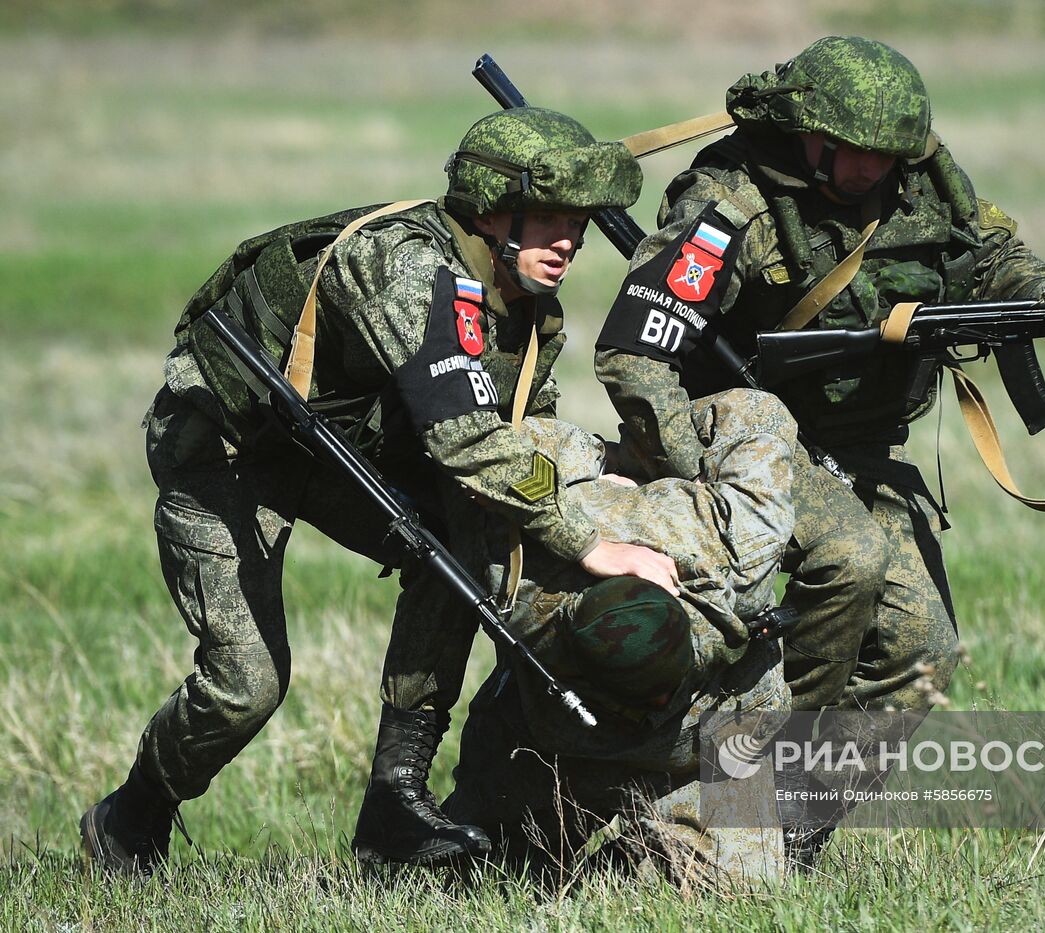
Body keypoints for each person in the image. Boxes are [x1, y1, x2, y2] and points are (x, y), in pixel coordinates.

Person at [80, 107, 679, 877]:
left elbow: (520, 438)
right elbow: (467, 441)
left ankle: (393, 802)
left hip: (327, 450)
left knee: (452, 544)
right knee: (246, 686)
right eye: (552, 218)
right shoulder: (413, 271)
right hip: (224, 447)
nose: (569, 239)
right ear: (494, 209)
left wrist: (602, 484)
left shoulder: (523, 309)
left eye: (581, 222)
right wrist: (591, 541)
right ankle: (132, 815)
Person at [594, 36, 1045, 853]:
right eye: (847, 153)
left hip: (858, 449)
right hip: (749, 438)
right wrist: (705, 475)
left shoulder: (922, 179)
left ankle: (790, 833)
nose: (864, 172)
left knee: (923, 649)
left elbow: (988, 253)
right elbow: (635, 354)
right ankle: (728, 809)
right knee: (847, 559)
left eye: (883, 157)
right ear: (805, 128)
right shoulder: (731, 198)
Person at [442, 389, 798, 888]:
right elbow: (488, 450)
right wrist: (591, 464)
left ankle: (642, 853)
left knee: (743, 889)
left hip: (701, 748)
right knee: (484, 877)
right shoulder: (515, 578)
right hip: (551, 742)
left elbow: (757, 410)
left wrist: (647, 450)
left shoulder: (738, 549)